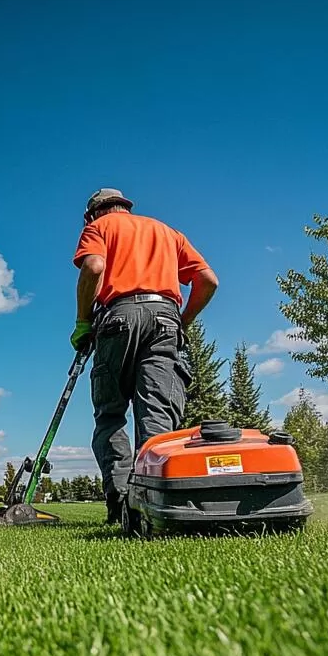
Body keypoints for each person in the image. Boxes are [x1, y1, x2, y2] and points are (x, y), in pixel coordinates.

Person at [71, 188, 219, 523]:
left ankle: (121, 504)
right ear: (126, 207)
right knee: (157, 413)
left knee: (110, 415)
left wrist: (82, 321)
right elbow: (208, 281)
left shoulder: (99, 228)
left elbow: (93, 266)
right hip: (165, 317)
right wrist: (182, 321)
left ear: (91, 214)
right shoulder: (167, 232)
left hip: (118, 317)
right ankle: (155, 501)